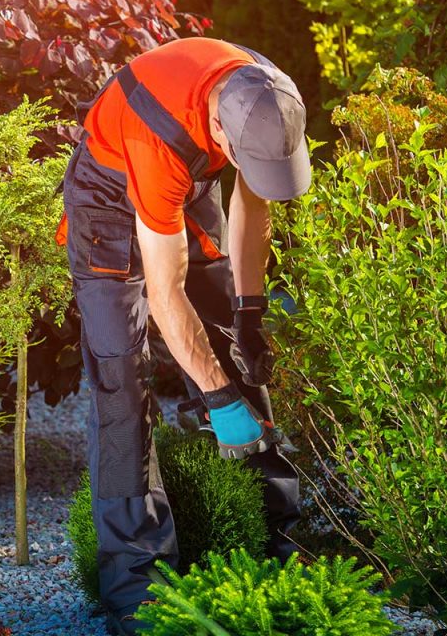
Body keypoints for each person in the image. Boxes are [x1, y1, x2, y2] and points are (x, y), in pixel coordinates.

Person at [56, 36, 311, 634]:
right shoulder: (159, 136)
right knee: (121, 378)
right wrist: (219, 400)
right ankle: (138, 586)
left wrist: (249, 312)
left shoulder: (268, 99)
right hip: (110, 198)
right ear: (221, 137)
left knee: (229, 346)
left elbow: (253, 211)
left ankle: (271, 542)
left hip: (187, 188)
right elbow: (165, 294)